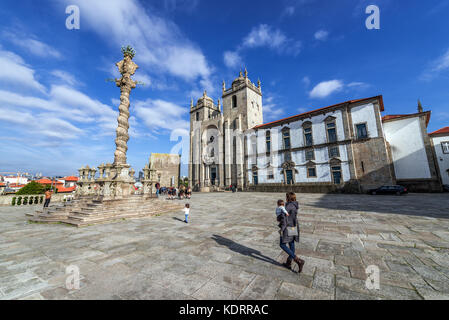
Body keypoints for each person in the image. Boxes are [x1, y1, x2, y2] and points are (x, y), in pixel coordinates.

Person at [278, 192, 305, 273]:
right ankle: (289, 263)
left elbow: (284, 219)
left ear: (288, 198)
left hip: (287, 226)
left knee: (282, 244)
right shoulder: (295, 205)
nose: (285, 198)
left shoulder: (287, 207)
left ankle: (298, 260)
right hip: (294, 226)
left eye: (286, 197)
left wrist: (281, 229)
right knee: (291, 244)